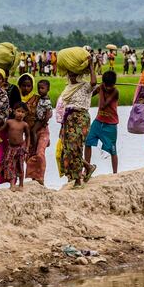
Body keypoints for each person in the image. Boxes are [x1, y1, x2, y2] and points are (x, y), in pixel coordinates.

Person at [57, 55, 97, 189]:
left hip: (80, 118)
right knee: (68, 149)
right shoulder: (67, 88)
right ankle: (86, 169)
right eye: (70, 72)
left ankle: (78, 179)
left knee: (77, 147)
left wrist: (91, 66)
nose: (72, 75)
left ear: (79, 73)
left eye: (74, 72)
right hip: (68, 119)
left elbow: (93, 82)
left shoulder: (85, 86)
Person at [84, 70, 119, 174]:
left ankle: (115, 173)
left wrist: (102, 90)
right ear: (104, 83)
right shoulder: (101, 88)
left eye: (110, 86)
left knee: (113, 150)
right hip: (98, 121)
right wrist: (96, 89)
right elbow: (89, 96)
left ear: (113, 84)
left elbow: (103, 105)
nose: (108, 88)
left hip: (110, 125)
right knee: (88, 141)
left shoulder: (115, 91)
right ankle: (87, 169)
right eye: (106, 86)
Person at [25, 80, 52, 185]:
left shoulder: (47, 100)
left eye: (43, 88)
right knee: (29, 154)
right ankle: (33, 178)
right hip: (35, 124)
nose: (40, 90)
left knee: (39, 154)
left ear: (48, 89)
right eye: (39, 88)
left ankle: (40, 179)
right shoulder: (36, 98)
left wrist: (44, 121)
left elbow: (48, 113)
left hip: (41, 124)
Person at [2, 104, 28, 191]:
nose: (20, 114)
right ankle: (12, 184)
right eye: (18, 111)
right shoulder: (9, 122)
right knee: (9, 165)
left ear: (25, 114)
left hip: (20, 148)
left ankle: (21, 184)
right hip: (10, 148)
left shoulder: (24, 125)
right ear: (14, 111)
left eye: (23, 112)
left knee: (20, 166)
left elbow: (28, 136)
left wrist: (27, 147)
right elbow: (2, 130)